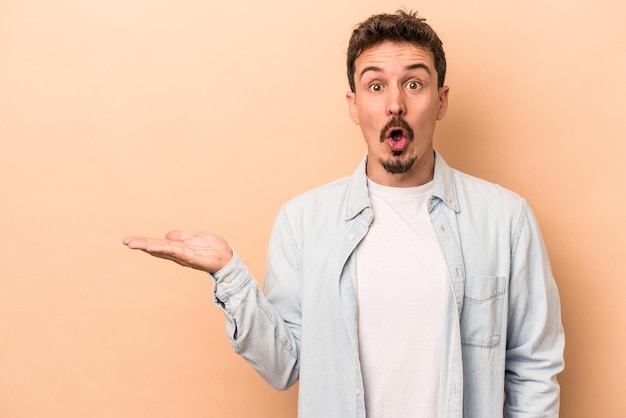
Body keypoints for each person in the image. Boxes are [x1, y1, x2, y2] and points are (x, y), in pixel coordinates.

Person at [123, 10, 564, 418]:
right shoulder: (303, 222)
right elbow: (285, 366)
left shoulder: (506, 220)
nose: (395, 104)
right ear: (354, 105)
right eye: (376, 86)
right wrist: (229, 275)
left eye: (414, 84)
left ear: (441, 100)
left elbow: (534, 369)